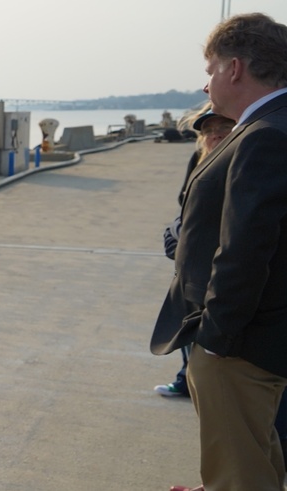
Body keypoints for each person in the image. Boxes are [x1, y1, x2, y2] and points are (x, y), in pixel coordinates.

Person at [151, 13, 287, 491]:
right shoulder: (272, 126)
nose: (206, 83)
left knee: (239, 478)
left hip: (240, 347)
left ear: (235, 69)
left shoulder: (265, 136)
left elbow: (246, 248)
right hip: (256, 339)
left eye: (210, 69)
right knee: (260, 468)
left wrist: (215, 338)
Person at [153, 109, 234, 398]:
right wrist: (176, 232)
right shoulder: (200, 159)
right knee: (187, 321)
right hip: (193, 266)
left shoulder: (247, 160)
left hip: (220, 266)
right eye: (208, 130)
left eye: (224, 126)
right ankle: (186, 378)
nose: (215, 134)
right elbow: (186, 206)